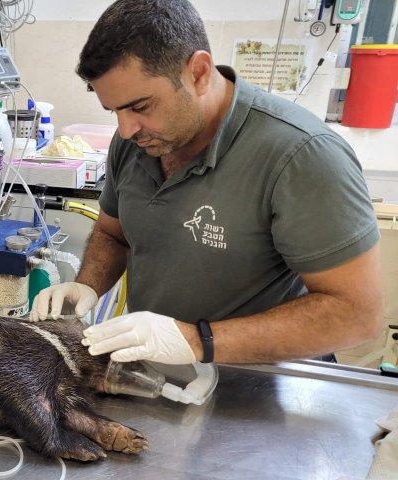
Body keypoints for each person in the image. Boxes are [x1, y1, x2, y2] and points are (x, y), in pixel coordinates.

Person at [31, 0, 384, 366]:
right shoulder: (133, 143)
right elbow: (112, 234)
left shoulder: (300, 155)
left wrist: (197, 342)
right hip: (160, 378)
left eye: (140, 106)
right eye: (114, 111)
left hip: (265, 386)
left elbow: (357, 314)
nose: (125, 129)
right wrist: (87, 285)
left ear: (198, 72)